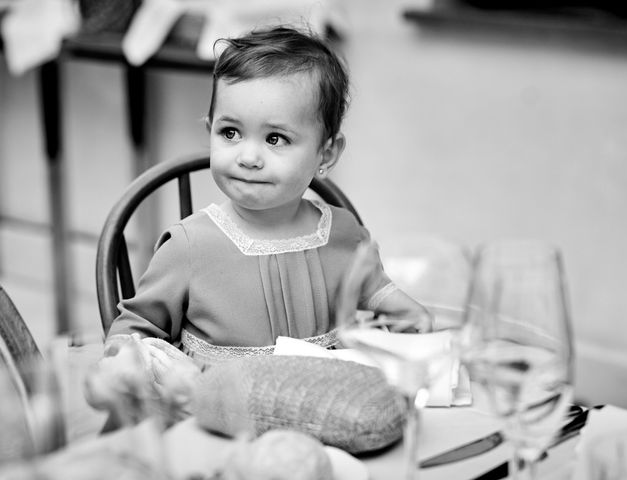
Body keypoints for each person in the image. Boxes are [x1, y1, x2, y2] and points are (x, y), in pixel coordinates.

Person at [104, 25, 429, 366]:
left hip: (323, 403)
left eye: (275, 138)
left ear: (326, 154)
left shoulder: (343, 233)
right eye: (230, 132)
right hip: (221, 408)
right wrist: (128, 359)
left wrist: (404, 312)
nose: (247, 157)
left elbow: (376, 291)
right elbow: (135, 330)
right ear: (209, 130)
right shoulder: (189, 246)